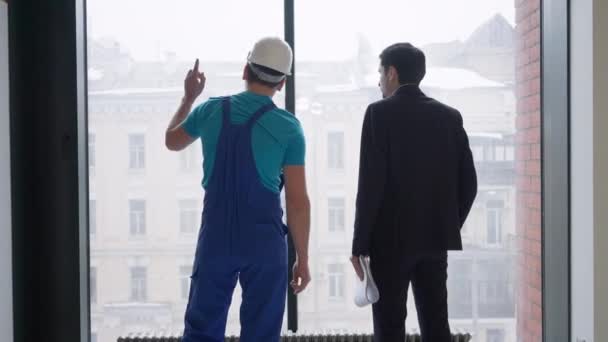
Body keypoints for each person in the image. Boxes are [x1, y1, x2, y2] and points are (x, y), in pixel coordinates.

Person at [165, 37, 311, 342]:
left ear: (245, 69)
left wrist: (188, 97)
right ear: (282, 83)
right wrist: (303, 259)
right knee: (262, 334)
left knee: (201, 332)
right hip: (265, 243)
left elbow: (172, 140)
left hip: (216, 238)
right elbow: (298, 202)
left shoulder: (210, 110)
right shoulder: (289, 128)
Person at [350, 42, 478, 342]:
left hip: (388, 242)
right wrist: (446, 224)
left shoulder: (378, 114)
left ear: (392, 73)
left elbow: (370, 185)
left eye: (380, 73)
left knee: (389, 328)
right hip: (435, 240)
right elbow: (469, 184)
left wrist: (360, 244)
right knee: (436, 326)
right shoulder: (449, 117)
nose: (379, 81)